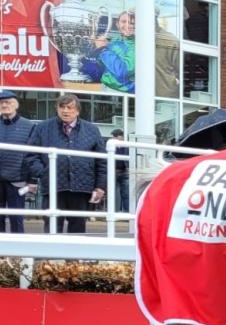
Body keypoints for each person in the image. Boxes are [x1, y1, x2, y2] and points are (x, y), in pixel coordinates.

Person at [29, 93, 107, 234]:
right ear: (57, 109)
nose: (65, 111)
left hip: (82, 187)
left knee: (78, 227)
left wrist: (100, 186)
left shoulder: (92, 130)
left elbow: (102, 161)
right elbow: (31, 155)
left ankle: (75, 250)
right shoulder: (42, 128)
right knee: (52, 225)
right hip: (53, 186)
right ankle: (52, 248)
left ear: (77, 111)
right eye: (62, 107)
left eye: (70, 107)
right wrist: (44, 172)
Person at [0, 89, 40, 233]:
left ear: (16, 105)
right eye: (1, 103)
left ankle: (17, 247)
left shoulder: (29, 126)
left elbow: (34, 154)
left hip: (18, 180)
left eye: (8, 102)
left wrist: (33, 180)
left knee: (16, 219)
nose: (4, 105)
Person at [83, 10, 135, 93]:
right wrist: (94, 48)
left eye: (132, 23)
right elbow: (102, 66)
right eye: (124, 21)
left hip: (124, 93)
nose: (127, 25)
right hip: (105, 88)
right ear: (117, 24)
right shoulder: (114, 41)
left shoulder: (139, 45)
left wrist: (103, 49)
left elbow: (123, 71)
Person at [110, 129, 130, 213]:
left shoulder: (127, 146)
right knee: (114, 192)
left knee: (126, 193)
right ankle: (115, 210)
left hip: (124, 172)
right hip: (114, 171)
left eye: (115, 136)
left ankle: (127, 211)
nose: (113, 138)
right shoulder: (110, 146)